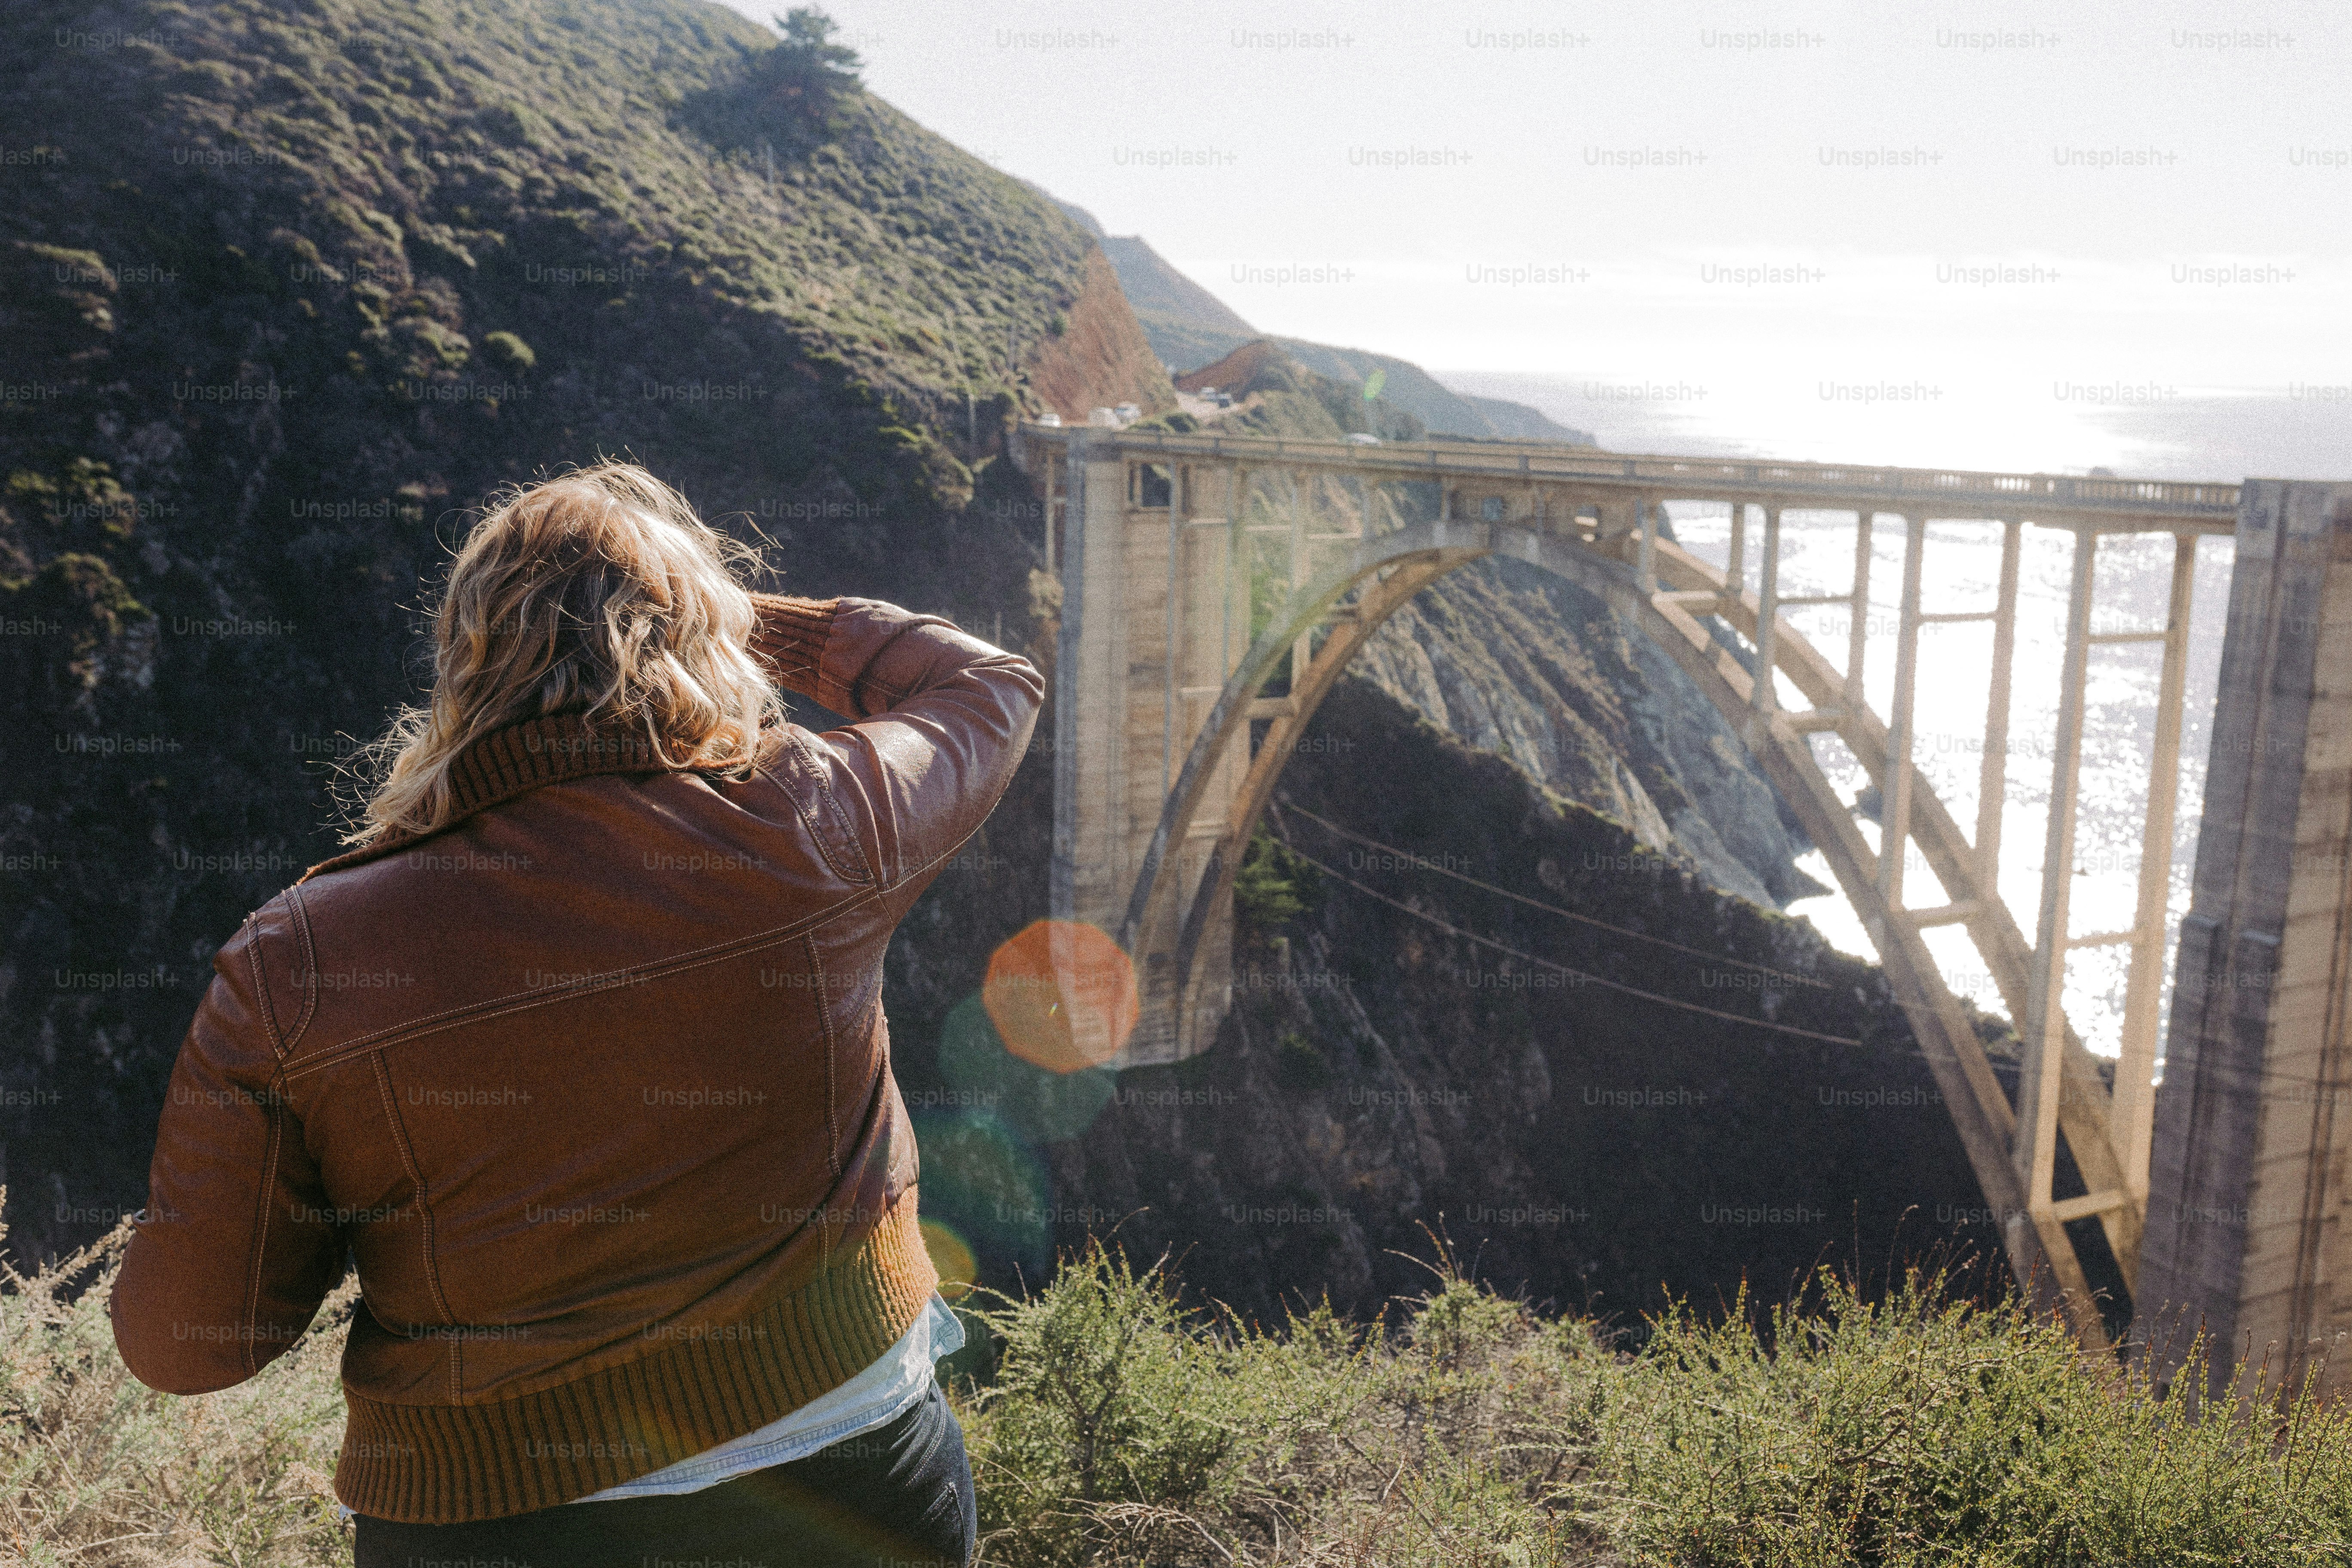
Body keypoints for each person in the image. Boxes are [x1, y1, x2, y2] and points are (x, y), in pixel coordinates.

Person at [109, 462, 1042, 1565]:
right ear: (700, 641)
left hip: (491, 1519)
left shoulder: (298, 960)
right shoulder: (810, 825)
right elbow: (988, 685)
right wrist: (724, 615)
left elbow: (189, 1347)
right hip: (851, 1472)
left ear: (461, 668)